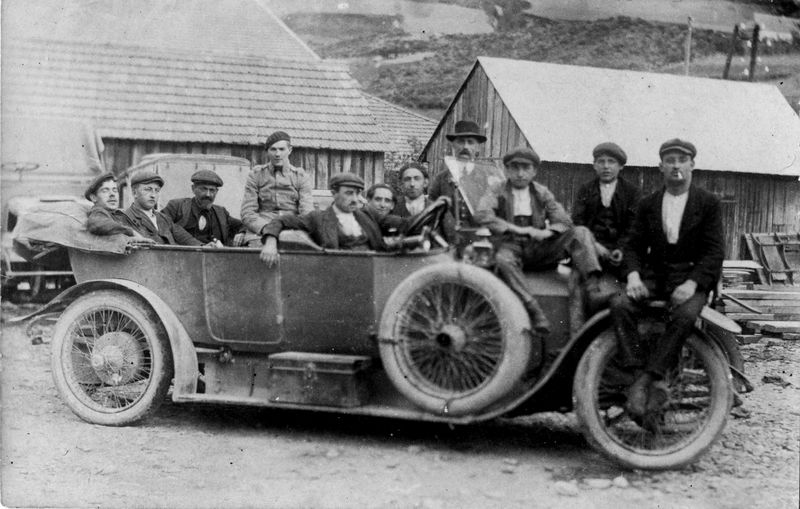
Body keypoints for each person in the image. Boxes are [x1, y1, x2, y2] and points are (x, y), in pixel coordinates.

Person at [610, 139, 724, 418]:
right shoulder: (649, 203)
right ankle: (636, 370)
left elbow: (714, 251)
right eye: (670, 160)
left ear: (692, 165)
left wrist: (692, 284)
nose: (676, 166)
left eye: (681, 160)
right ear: (660, 167)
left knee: (684, 317)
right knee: (620, 304)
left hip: (690, 277)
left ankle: (646, 380)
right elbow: (633, 245)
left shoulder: (708, 203)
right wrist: (634, 276)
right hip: (655, 275)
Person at [476, 147, 607, 333]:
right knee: (502, 260)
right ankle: (533, 309)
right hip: (511, 246)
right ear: (507, 170)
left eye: (526, 168)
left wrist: (547, 233)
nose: (520, 173)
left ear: (534, 171)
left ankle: (593, 290)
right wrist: (515, 229)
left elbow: (563, 221)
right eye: (515, 168)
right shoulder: (497, 190)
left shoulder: (541, 192)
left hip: (539, 247)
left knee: (581, 232)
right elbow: (482, 214)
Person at [260, 173, 404, 266]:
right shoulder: (318, 218)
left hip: (374, 272)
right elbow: (281, 220)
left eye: (357, 194)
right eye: (349, 194)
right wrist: (270, 242)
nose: (355, 199)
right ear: (334, 193)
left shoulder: (368, 215)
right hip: (338, 276)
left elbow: (402, 224)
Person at [572, 142, 641, 272]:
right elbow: (578, 221)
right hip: (591, 245)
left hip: (620, 247)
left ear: (621, 166)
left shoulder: (632, 192)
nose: (606, 167)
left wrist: (620, 249)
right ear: (594, 165)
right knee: (582, 275)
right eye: (601, 162)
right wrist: (593, 245)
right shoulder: (586, 189)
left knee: (631, 274)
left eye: (611, 162)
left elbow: (633, 226)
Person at [241, 131, 314, 246]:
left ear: (289, 150)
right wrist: (267, 229)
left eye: (281, 149)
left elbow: (307, 213)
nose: (277, 154)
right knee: (256, 250)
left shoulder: (300, 177)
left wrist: (291, 229)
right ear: (267, 152)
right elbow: (247, 212)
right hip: (261, 229)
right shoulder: (256, 175)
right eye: (273, 149)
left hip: (292, 228)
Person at [118, 170, 204, 246]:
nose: (153, 195)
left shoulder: (164, 219)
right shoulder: (126, 217)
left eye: (157, 190)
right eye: (148, 189)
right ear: (134, 193)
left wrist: (204, 246)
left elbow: (185, 238)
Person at [161, 170, 244, 246]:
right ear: (193, 189)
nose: (208, 194)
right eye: (203, 189)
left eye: (212, 190)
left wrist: (242, 232)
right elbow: (161, 224)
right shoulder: (177, 206)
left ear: (216, 192)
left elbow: (243, 224)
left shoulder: (221, 212)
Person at [428, 119, 486, 226]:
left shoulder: (486, 177)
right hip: (449, 237)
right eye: (461, 141)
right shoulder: (441, 178)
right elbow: (430, 205)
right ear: (453, 145)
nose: (465, 147)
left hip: (479, 235)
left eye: (470, 142)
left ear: (477, 147)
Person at [84, 172, 137, 237]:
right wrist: (131, 232)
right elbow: (98, 223)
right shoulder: (98, 212)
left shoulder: (117, 212)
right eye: (105, 190)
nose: (112, 194)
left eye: (115, 190)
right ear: (94, 198)